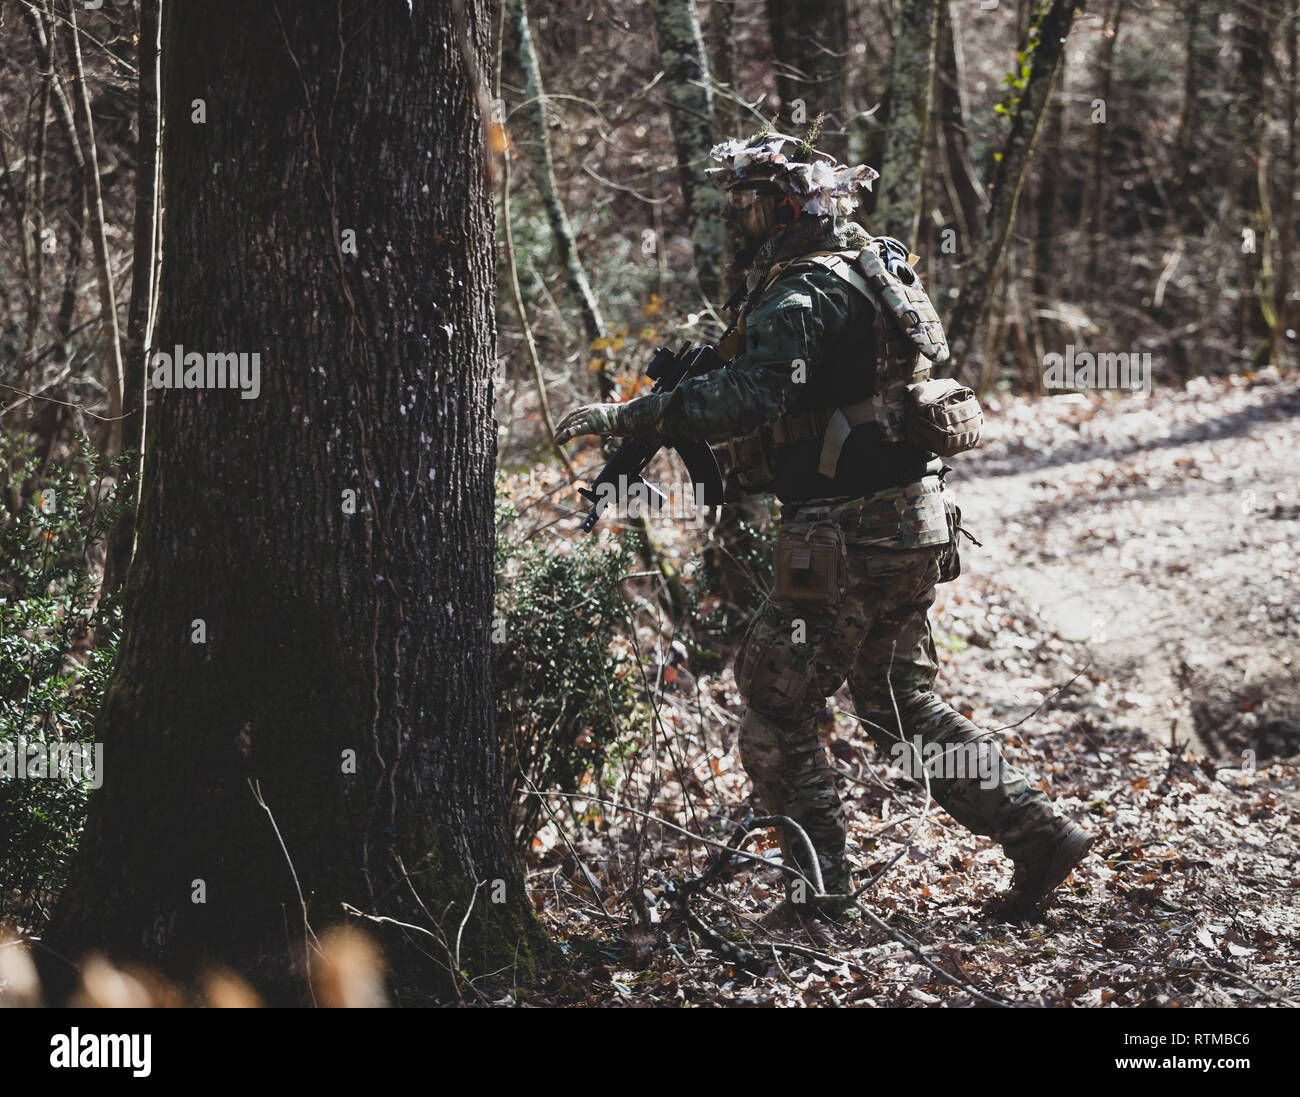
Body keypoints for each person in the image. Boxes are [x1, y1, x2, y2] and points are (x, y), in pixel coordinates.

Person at [554, 129, 1093, 926]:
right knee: (898, 706)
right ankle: (1040, 835)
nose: (737, 219)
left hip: (847, 538)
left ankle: (818, 896)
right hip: (915, 522)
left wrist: (633, 414)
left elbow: (753, 397)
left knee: (775, 708)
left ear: (781, 209)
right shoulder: (876, 266)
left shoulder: (802, 290)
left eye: (747, 204)